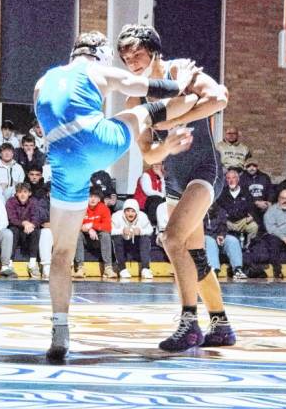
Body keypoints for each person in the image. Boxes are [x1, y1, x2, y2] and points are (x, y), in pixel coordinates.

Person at [35, 30, 199, 360]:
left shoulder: (44, 80)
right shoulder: (98, 70)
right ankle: (193, 104)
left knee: (62, 250)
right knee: (140, 112)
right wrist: (181, 83)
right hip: (97, 142)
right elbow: (144, 88)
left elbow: (44, 116)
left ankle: (60, 328)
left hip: (63, 161)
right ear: (102, 53)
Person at [118, 24, 235, 352]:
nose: (132, 61)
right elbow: (148, 153)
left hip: (204, 171)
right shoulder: (135, 96)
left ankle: (189, 323)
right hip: (174, 179)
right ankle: (221, 323)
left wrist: (168, 123)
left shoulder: (179, 69)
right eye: (126, 57)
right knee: (194, 256)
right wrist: (166, 146)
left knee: (170, 238)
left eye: (137, 53)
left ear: (153, 51)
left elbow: (220, 98)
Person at [73, 187, 114, 279]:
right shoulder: (80, 208)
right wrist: (88, 229)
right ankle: (80, 268)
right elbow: (75, 225)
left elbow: (108, 227)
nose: (92, 199)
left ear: (99, 199)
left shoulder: (103, 208)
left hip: (97, 239)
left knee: (105, 235)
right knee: (77, 234)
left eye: (95, 197)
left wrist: (91, 225)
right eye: (90, 196)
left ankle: (108, 268)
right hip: (84, 239)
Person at [111, 198, 154, 279]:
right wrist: (122, 231)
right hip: (123, 244)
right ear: (124, 211)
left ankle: (145, 269)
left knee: (145, 238)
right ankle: (122, 268)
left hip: (136, 245)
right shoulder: (116, 216)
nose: (130, 214)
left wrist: (140, 231)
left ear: (137, 212)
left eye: (133, 211)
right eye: (128, 211)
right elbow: (110, 230)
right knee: (117, 238)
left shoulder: (143, 216)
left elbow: (150, 230)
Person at [6, 182, 41, 278]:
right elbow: (11, 218)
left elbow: (37, 217)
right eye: (20, 192)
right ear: (16, 193)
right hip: (17, 229)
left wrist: (31, 225)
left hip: (28, 231)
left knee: (36, 231)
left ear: (29, 193)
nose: (22, 194)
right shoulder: (10, 201)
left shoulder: (34, 202)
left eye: (25, 192)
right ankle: (9, 264)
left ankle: (32, 264)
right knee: (13, 231)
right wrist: (24, 223)